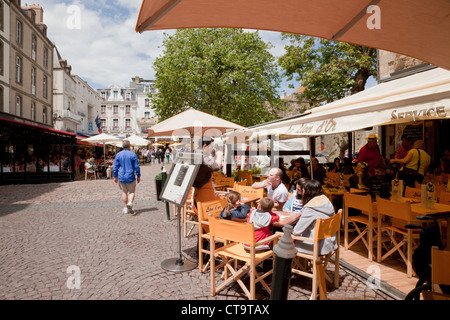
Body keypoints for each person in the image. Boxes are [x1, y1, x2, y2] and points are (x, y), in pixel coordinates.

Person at [292, 179, 337, 255]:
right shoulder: (326, 200)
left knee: (282, 243)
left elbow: (297, 231)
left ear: (307, 192)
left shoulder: (310, 208)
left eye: (303, 190)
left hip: (315, 245)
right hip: (330, 242)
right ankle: (303, 266)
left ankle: (300, 266)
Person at [113, 139, 141, 215]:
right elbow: (137, 167)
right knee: (131, 192)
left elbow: (115, 167)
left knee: (124, 192)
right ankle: (130, 203)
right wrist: (138, 176)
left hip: (121, 176)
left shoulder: (118, 154)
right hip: (130, 175)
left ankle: (125, 208)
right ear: (129, 146)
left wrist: (115, 176)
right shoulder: (133, 154)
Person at [193, 137, 223, 207]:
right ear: (205, 146)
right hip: (204, 191)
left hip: (199, 190)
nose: (212, 149)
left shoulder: (195, 154)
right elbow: (217, 167)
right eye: (211, 147)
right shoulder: (202, 156)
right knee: (207, 213)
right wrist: (219, 154)